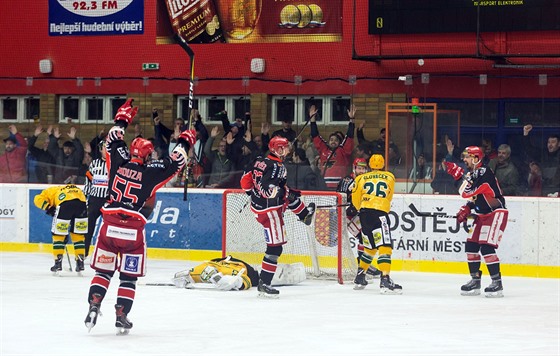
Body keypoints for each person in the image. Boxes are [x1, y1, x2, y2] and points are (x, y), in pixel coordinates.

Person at [84, 98, 196, 334]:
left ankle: (94, 303)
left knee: (103, 272)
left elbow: (113, 139)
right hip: (132, 230)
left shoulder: (117, 161)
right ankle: (121, 314)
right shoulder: (150, 173)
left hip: (109, 224)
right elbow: (176, 161)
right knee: (127, 277)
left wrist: (122, 120)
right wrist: (185, 140)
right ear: (146, 156)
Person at [240, 136, 316, 298]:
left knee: (290, 196)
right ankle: (264, 283)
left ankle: (304, 215)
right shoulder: (278, 167)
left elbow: (245, 182)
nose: (288, 149)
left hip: (258, 206)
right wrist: (280, 192)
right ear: (277, 149)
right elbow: (269, 190)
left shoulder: (259, 161)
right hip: (270, 211)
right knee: (275, 248)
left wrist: (255, 194)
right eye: (285, 147)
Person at [444, 146, 508, 298]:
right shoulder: (474, 173)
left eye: (467, 157)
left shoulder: (483, 172)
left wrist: (458, 178)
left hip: (495, 213)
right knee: (471, 245)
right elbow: (474, 198)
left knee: (486, 248)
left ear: (476, 158)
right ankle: (475, 280)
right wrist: (467, 209)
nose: (464, 160)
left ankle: (497, 282)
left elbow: (466, 192)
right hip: (482, 214)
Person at [351, 154, 402, 294]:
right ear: (383, 164)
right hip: (380, 214)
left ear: (370, 165)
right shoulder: (390, 177)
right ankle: (385, 279)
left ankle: (360, 276)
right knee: (385, 246)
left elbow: (356, 199)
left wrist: (362, 209)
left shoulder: (360, 178)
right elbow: (389, 196)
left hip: (365, 214)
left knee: (370, 247)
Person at [336, 158, 381, 279]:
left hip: (359, 214)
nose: (361, 171)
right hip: (347, 215)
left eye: (363, 168)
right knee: (364, 237)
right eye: (359, 168)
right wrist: (347, 207)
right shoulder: (347, 180)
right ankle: (363, 266)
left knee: (366, 237)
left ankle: (364, 265)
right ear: (354, 168)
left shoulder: (367, 180)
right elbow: (339, 197)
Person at [33, 184, 88, 274]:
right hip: (82, 205)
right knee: (78, 235)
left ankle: (58, 263)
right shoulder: (69, 188)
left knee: (58, 235)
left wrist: (49, 208)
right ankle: (80, 262)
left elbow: (37, 199)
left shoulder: (47, 192)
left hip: (64, 204)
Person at [172, 256, 306, 291]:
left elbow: (179, 276)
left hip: (250, 272)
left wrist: (216, 276)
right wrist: (219, 278)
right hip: (251, 275)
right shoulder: (244, 276)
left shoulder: (203, 267)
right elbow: (242, 283)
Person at [310, 104, 355, 189]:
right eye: (331, 140)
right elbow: (315, 135)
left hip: (340, 187)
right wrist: (312, 119)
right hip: (324, 187)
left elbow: (349, 136)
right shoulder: (324, 149)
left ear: (339, 143)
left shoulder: (343, 151)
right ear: (328, 141)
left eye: (336, 140)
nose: (333, 142)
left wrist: (352, 120)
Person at [82, 140, 109, 258]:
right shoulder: (94, 164)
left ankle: (107, 253)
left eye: (108, 148)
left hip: (108, 200)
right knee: (88, 226)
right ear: (100, 149)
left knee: (108, 228)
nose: (106, 150)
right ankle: (83, 252)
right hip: (94, 199)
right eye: (104, 148)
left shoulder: (115, 164)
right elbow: (88, 181)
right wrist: (84, 196)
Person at [522, 125, 560, 196]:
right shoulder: (543, 154)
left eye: (553, 142)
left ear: (559, 144)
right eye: (549, 142)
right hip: (544, 190)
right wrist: (526, 133)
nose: (550, 145)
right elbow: (529, 150)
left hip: (557, 191)